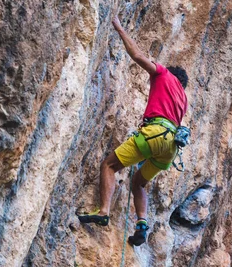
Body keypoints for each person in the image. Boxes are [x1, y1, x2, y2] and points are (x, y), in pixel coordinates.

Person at [78, 15, 189, 246]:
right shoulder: (183, 99)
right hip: (170, 148)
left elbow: (137, 56)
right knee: (138, 182)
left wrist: (119, 28)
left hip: (154, 134)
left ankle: (103, 211)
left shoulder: (164, 75)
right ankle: (141, 224)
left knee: (109, 165)